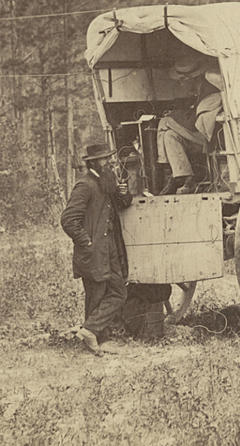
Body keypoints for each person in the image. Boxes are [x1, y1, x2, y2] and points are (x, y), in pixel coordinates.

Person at [60, 143, 132, 356]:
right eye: (104, 159)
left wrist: (123, 193)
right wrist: (87, 242)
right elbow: (68, 220)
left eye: (109, 158)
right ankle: (96, 339)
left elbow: (122, 204)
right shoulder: (85, 185)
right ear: (93, 163)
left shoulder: (105, 182)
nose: (109, 162)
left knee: (118, 291)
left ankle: (90, 331)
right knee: (96, 294)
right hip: (93, 250)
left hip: (108, 248)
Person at [157, 56, 224, 194]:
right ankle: (186, 178)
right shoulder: (199, 91)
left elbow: (195, 124)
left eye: (182, 81)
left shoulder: (210, 91)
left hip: (210, 140)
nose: (181, 85)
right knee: (169, 135)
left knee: (164, 122)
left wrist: (172, 117)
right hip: (201, 138)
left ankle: (167, 173)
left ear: (191, 79)